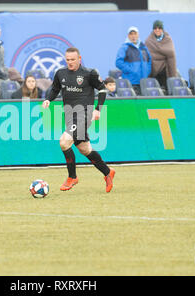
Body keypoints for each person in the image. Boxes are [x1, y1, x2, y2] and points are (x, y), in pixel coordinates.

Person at [42, 47, 115, 193]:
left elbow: (102, 89)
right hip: (70, 115)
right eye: (67, 60)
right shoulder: (60, 73)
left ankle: (72, 177)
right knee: (84, 149)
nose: (70, 62)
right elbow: (55, 89)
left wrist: (97, 109)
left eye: (72, 60)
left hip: (84, 114)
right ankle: (108, 172)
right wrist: (48, 100)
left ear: (79, 59)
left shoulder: (89, 74)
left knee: (64, 141)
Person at [115, 26, 151, 95]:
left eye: (135, 33)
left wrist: (147, 71)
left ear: (138, 35)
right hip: (131, 82)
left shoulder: (143, 47)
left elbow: (149, 61)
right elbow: (118, 62)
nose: (133, 36)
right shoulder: (124, 47)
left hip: (144, 82)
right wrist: (131, 71)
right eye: (131, 34)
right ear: (128, 36)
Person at [145, 20, 177, 93]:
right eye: (155, 28)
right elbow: (147, 56)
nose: (157, 30)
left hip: (166, 70)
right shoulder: (148, 41)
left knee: (168, 90)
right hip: (153, 72)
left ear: (162, 29)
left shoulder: (168, 39)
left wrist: (173, 75)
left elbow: (171, 55)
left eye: (159, 28)